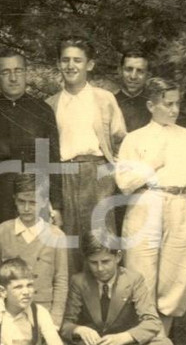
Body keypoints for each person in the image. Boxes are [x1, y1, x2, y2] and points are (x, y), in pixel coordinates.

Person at [114, 77, 186, 336]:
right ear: (151, 105)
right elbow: (123, 182)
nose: (175, 110)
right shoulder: (134, 139)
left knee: (173, 280)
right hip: (145, 205)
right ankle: (140, 344)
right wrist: (150, 164)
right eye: (168, 104)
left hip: (179, 206)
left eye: (177, 104)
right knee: (140, 275)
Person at [0, 48, 61, 294]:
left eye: (18, 71)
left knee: (34, 258)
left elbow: (52, 159)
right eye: (6, 72)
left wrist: (56, 204)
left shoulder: (42, 110)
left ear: (26, 73)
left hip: (34, 194)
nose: (13, 78)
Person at [45, 37, 126, 273]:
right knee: (68, 243)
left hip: (98, 174)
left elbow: (120, 140)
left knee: (102, 242)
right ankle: (73, 305)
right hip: (65, 176)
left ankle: (104, 303)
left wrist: (111, 174)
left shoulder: (104, 99)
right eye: (65, 60)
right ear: (59, 64)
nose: (71, 66)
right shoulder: (50, 104)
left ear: (89, 65)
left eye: (77, 60)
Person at [60, 231, 176, 345]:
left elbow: (152, 322)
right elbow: (65, 324)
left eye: (105, 261)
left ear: (118, 257)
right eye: (94, 263)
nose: (100, 269)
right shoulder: (79, 281)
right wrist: (78, 329)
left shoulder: (134, 280)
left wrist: (124, 337)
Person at [0, 173, 69, 328]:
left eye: (33, 202)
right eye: (21, 202)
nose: (27, 208)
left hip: (42, 313)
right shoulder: (2, 231)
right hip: (7, 313)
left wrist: (54, 322)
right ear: (15, 200)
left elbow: (61, 281)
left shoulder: (56, 236)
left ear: (44, 202)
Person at [114, 50, 152, 134]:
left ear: (148, 75)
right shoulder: (110, 103)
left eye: (140, 71)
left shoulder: (155, 107)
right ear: (120, 71)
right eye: (128, 69)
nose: (133, 76)